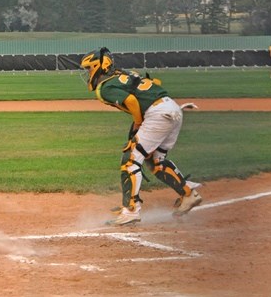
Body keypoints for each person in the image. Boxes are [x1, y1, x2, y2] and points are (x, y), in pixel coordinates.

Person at [79, 47, 202, 226]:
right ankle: (188, 195)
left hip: (158, 114)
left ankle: (130, 211)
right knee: (155, 162)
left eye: (89, 68)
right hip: (172, 108)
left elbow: (131, 101)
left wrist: (137, 123)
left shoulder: (104, 87)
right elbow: (155, 82)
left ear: (100, 66)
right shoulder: (126, 74)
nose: (88, 73)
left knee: (130, 160)